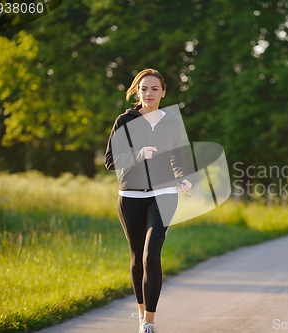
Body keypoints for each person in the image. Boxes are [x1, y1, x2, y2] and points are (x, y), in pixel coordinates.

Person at [105, 68, 192, 333]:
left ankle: (149, 323)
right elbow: (110, 161)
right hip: (130, 195)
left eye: (154, 89)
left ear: (163, 92)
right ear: (137, 91)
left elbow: (178, 157)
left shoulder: (173, 121)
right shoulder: (124, 121)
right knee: (136, 258)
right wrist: (138, 154)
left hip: (164, 194)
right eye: (144, 89)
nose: (149, 93)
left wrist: (182, 178)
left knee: (151, 256)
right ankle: (141, 313)